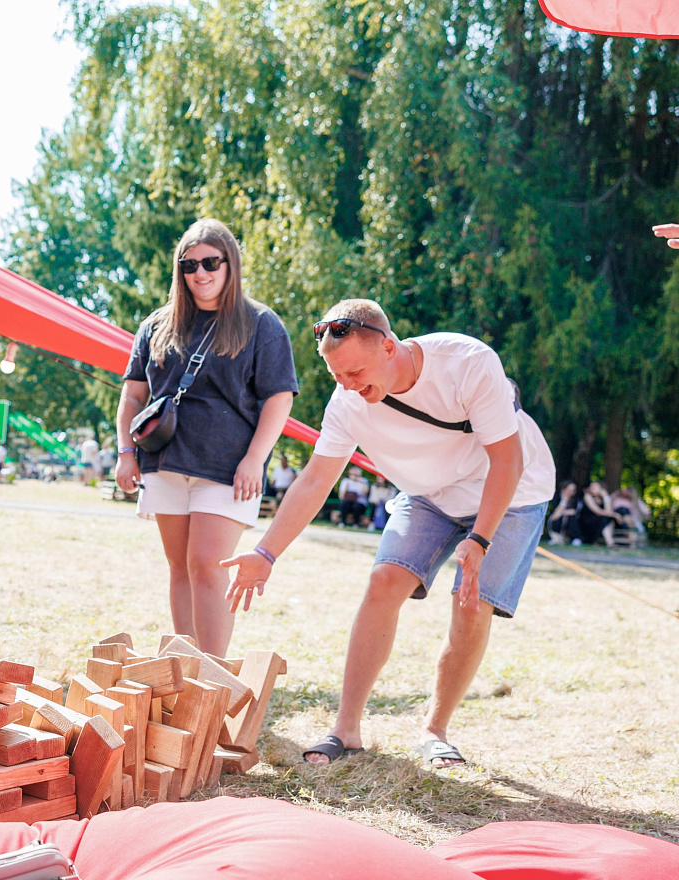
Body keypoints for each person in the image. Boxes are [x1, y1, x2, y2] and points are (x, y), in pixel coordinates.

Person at [224, 299, 555, 769]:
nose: (348, 385)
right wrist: (265, 553)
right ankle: (346, 730)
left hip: (513, 491)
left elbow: (508, 459)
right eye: (337, 375)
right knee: (383, 581)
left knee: (470, 603)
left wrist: (479, 540)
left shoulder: (465, 362)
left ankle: (435, 732)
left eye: (355, 372)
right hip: (429, 492)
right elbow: (316, 480)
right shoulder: (347, 402)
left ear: (388, 347)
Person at [115, 218, 297, 657]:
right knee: (180, 567)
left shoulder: (260, 323)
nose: (200, 272)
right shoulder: (157, 325)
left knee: (206, 565)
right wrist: (125, 452)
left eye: (211, 262)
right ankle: (185, 668)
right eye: (190, 264)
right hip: (164, 462)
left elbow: (279, 398)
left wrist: (256, 458)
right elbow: (133, 395)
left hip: (227, 467)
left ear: (230, 263)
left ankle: (211, 674)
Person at [577, 481, 617, 546]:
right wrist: (615, 515)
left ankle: (610, 542)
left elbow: (608, 511)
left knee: (609, 518)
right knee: (605, 518)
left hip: (599, 522)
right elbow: (598, 511)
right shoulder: (587, 496)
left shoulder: (604, 499)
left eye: (594, 487)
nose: (592, 488)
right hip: (587, 523)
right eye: (591, 487)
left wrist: (606, 497)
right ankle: (610, 542)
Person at [547, 481, 580, 545]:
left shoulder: (575, 499)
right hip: (558, 519)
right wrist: (563, 501)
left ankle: (574, 538)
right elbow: (555, 515)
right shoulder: (556, 497)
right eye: (569, 490)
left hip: (568, 520)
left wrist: (561, 512)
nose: (571, 492)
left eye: (573, 490)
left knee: (572, 518)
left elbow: (574, 511)